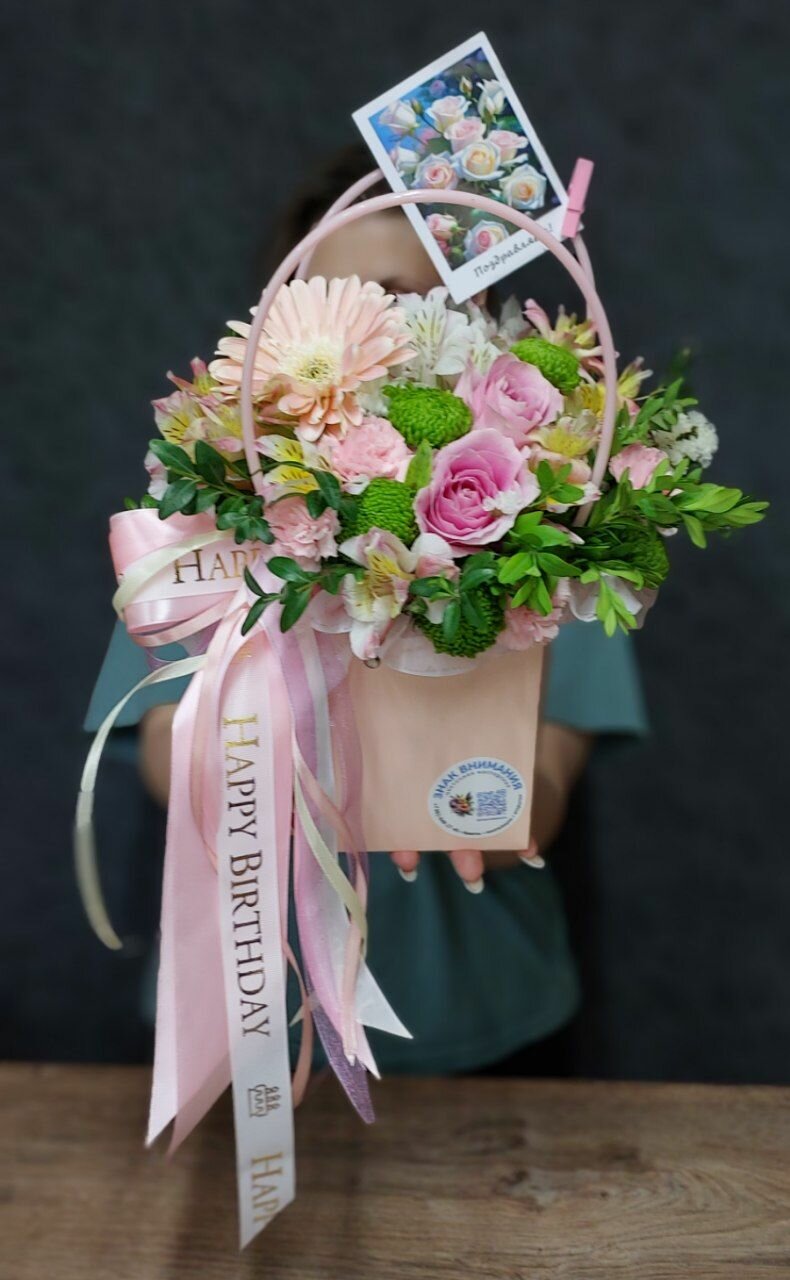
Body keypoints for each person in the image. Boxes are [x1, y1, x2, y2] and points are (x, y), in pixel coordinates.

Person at [84, 144, 647, 1076]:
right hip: (253, 1012)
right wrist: (261, 752)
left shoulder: (551, 529)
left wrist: (476, 808)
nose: (369, 342)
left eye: (400, 301)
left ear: (469, 323)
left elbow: (542, 787)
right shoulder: (207, 523)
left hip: (482, 1016)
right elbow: (157, 750)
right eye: (336, 306)